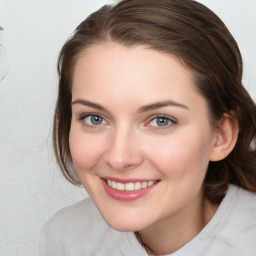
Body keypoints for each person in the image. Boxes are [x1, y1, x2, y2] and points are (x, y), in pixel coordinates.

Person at [40, 0, 256, 255]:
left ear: (221, 136)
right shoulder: (66, 238)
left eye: (161, 120)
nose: (119, 158)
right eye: (95, 118)